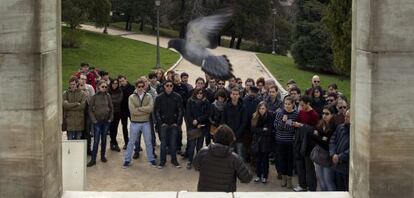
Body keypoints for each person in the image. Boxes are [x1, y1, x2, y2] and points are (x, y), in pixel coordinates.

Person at [193, 124, 253, 192]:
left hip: (205, 193)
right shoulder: (234, 158)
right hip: (225, 194)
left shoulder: (203, 152)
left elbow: (196, 166)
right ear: (230, 140)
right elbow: (246, 178)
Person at [123, 80, 156, 168]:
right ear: (136, 87)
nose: (141, 88)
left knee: (148, 142)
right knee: (131, 142)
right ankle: (127, 160)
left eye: (142, 86)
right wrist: (145, 111)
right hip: (135, 123)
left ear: (144, 86)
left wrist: (140, 109)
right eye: (139, 86)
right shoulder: (131, 97)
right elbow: (132, 111)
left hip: (146, 123)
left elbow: (151, 108)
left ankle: (151, 159)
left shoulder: (148, 96)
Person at [153, 80, 184, 168]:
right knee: (163, 144)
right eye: (167, 85)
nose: (169, 87)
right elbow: (156, 112)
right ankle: (162, 161)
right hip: (163, 124)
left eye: (171, 85)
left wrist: (177, 123)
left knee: (173, 143)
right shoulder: (159, 97)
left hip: (174, 124)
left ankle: (174, 160)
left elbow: (181, 111)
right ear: (164, 86)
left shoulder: (177, 97)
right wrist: (160, 123)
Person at [292, 95, 319, 192]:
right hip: (299, 141)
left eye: (303, 105)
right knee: (300, 165)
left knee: (309, 168)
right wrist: (294, 124)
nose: (301, 107)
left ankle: (311, 188)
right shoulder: (301, 112)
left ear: (308, 104)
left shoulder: (314, 115)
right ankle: (302, 185)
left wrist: (301, 125)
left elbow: (315, 130)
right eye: (300, 105)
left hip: (309, 144)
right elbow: (298, 123)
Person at [87, 80, 114, 167]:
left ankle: (103, 156)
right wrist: (94, 120)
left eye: (106, 87)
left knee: (104, 140)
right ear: (98, 87)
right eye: (103, 87)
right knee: (96, 140)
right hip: (97, 122)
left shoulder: (108, 96)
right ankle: (93, 159)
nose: (104, 88)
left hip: (106, 122)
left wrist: (110, 118)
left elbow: (111, 108)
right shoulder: (94, 97)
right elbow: (90, 110)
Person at [274, 96, 298, 189]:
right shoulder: (280, 113)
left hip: (290, 142)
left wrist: (286, 123)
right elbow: (276, 126)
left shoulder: (296, 114)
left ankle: (289, 180)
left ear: (293, 105)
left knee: (290, 161)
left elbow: (293, 129)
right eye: (285, 104)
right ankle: (283, 179)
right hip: (280, 141)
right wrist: (284, 122)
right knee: (281, 161)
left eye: (289, 104)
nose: (287, 106)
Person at [311, 105, 337, 191]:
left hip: (328, 157)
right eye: (323, 113)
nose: (324, 115)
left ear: (332, 115)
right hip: (319, 156)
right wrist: (321, 138)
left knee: (328, 181)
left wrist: (318, 136)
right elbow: (313, 137)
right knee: (321, 181)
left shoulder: (334, 126)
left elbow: (327, 143)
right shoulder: (320, 123)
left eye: (327, 114)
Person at [185, 88, 211, 169]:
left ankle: (198, 162)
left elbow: (207, 114)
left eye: (201, 93)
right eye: (198, 93)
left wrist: (198, 120)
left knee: (199, 146)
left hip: (202, 126)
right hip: (192, 126)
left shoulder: (206, 102)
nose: (199, 95)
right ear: (195, 94)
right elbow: (188, 114)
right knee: (192, 145)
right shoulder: (190, 101)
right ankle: (189, 161)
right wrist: (194, 122)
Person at [251, 102, 275, 184]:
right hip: (257, 141)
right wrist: (262, 129)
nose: (261, 110)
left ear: (266, 109)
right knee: (258, 160)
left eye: (263, 108)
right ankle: (258, 175)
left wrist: (260, 130)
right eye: (260, 108)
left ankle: (265, 176)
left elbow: (269, 130)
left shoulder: (270, 116)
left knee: (265, 160)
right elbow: (253, 129)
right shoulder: (255, 116)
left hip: (266, 141)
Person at [222, 88, 247, 160]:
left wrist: (236, 135)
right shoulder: (226, 106)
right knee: (228, 156)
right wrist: (229, 134)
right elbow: (223, 121)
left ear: (239, 96)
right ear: (230, 95)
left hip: (239, 136)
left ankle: (239, 171)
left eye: (236, 94)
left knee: (240, 156)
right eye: (233, 94)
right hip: (228, 135)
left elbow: (244, 122)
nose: (235, 96)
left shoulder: (243, 107)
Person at [330, 110, 350, 191]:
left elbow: (353, 149)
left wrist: (340, 156)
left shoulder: (356, 131)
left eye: (348, 117)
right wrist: (333, 153)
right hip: (337, 165)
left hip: (346, 167)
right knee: (339, 189)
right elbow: (332, 141)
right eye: (345, 116)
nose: (345, 118)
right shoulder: (340, 127)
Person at [242, 86, 261, 162]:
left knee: (253, 144)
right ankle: (246, 158)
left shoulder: (258, 101)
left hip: (255, 126)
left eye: (255, 92)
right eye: (252, 92)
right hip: (246, 127)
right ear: (249, 91)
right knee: (246, 144)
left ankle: (252, 159)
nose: (253, 94)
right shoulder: (244, 100)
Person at [119, 75, 135, 150]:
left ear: (126, 79)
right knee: (124, 127)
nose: (122, 82)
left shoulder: (132, 87)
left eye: (123, 80)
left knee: (135, 127)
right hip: (123, 110)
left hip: (131, 110)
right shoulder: (119, 89)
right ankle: (126, 142)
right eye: (120, 81)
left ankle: (136, 143)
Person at [108, 79, 123, 152]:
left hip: (117, 112)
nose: (115, 85)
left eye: (116, 83)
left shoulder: (120, 91)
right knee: (111, 128)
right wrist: (112, 102)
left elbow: (119, 101)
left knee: (115, 127)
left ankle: (113, 142)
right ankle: (114, 142)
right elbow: (108, 101)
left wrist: (111, 101)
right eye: (114, 83)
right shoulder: (108, 90)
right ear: (111, 84)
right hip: (109, 113)